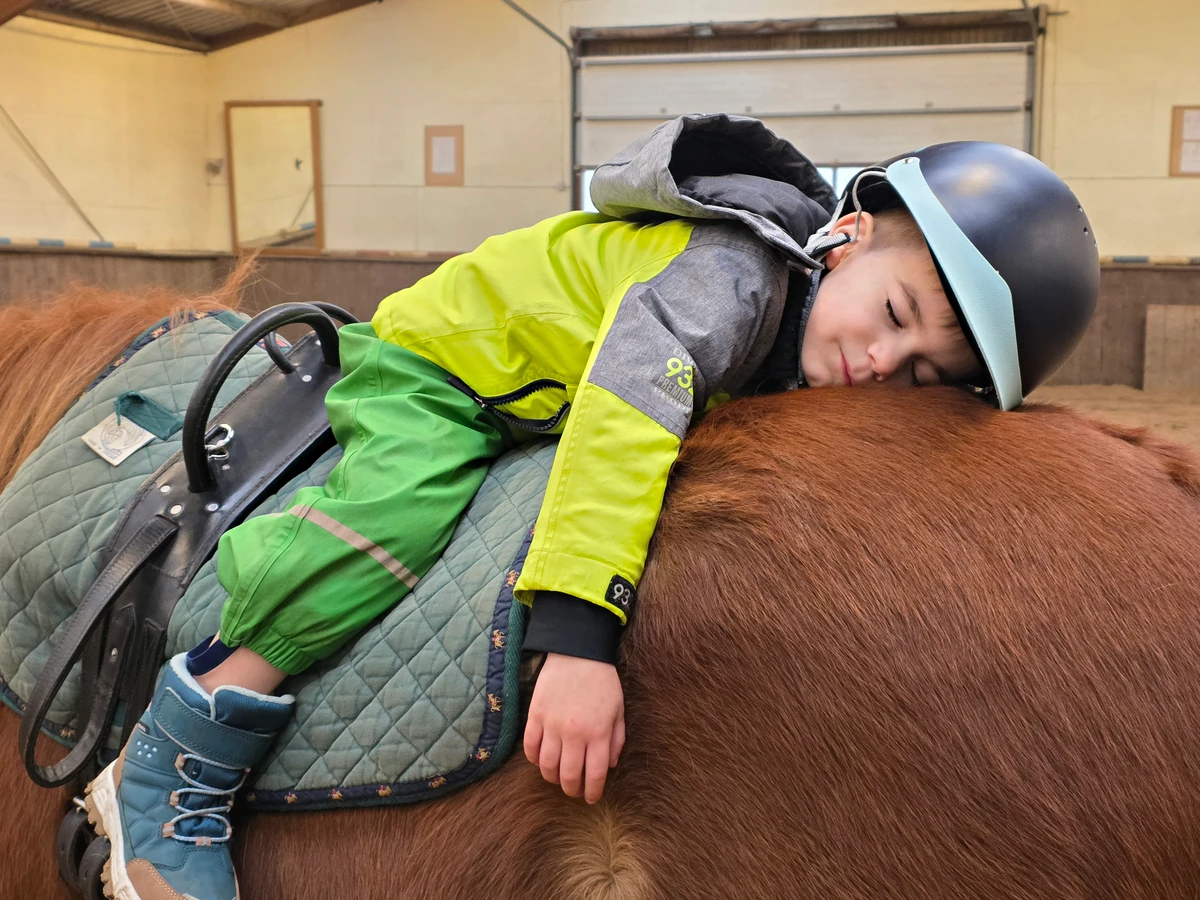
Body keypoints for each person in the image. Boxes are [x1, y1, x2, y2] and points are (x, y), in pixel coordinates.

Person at [84, 113, 1100, 900]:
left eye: (921, 375)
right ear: (846, 235)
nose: (881, 365)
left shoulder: (816, 339)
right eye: (892, 315)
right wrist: (576, 639)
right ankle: (184, 743)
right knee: (391, 521)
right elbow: (622, 416)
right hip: (441, 370)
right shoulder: (732, 281)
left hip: (534, 393)